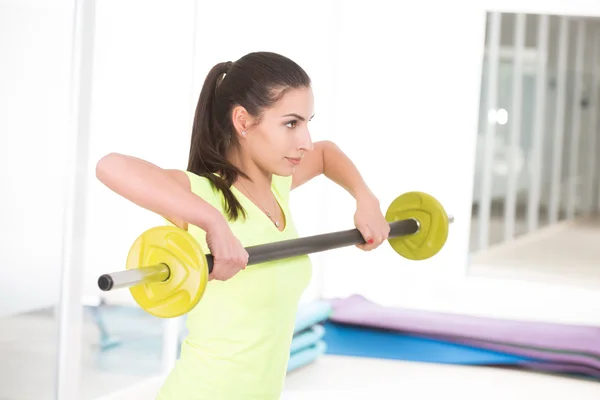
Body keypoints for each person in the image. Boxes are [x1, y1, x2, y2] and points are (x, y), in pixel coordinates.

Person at [95, 51, 390, 400]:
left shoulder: (277, 185)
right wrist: (213, 223)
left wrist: (365, 198)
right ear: (243, 121)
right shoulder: (204, 194)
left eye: (308, 122)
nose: (305, 141)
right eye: (291, 123)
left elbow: (326, 154)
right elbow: (110, 166)